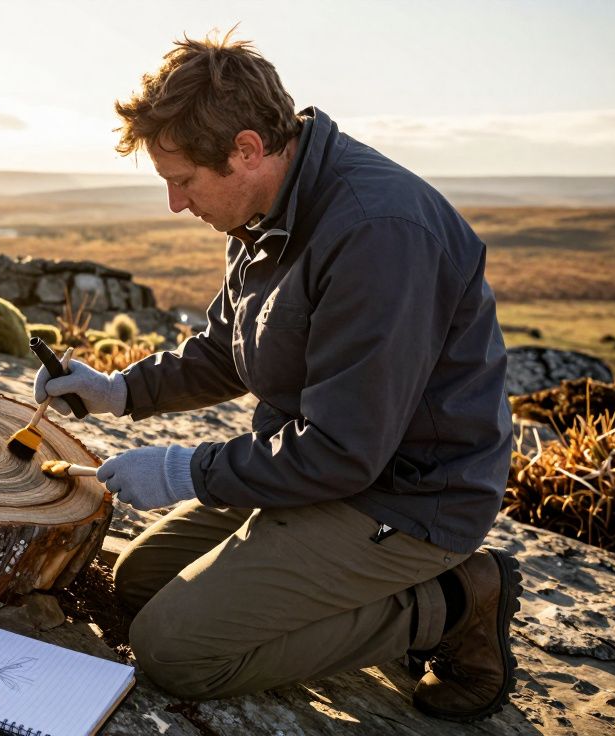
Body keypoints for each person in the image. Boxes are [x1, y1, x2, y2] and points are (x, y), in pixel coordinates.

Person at [34, 28, 519, 723]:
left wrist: (183, 473)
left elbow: (344, 451)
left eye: (183, 182)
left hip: (405, 499)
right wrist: (119, 391)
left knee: (175, 651)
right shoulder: (270, 209)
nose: (175, 203)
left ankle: (452, 602)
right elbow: (228, 347)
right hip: (315, 472)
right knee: (140, 583)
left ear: (247, 150)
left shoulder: (376, 234)